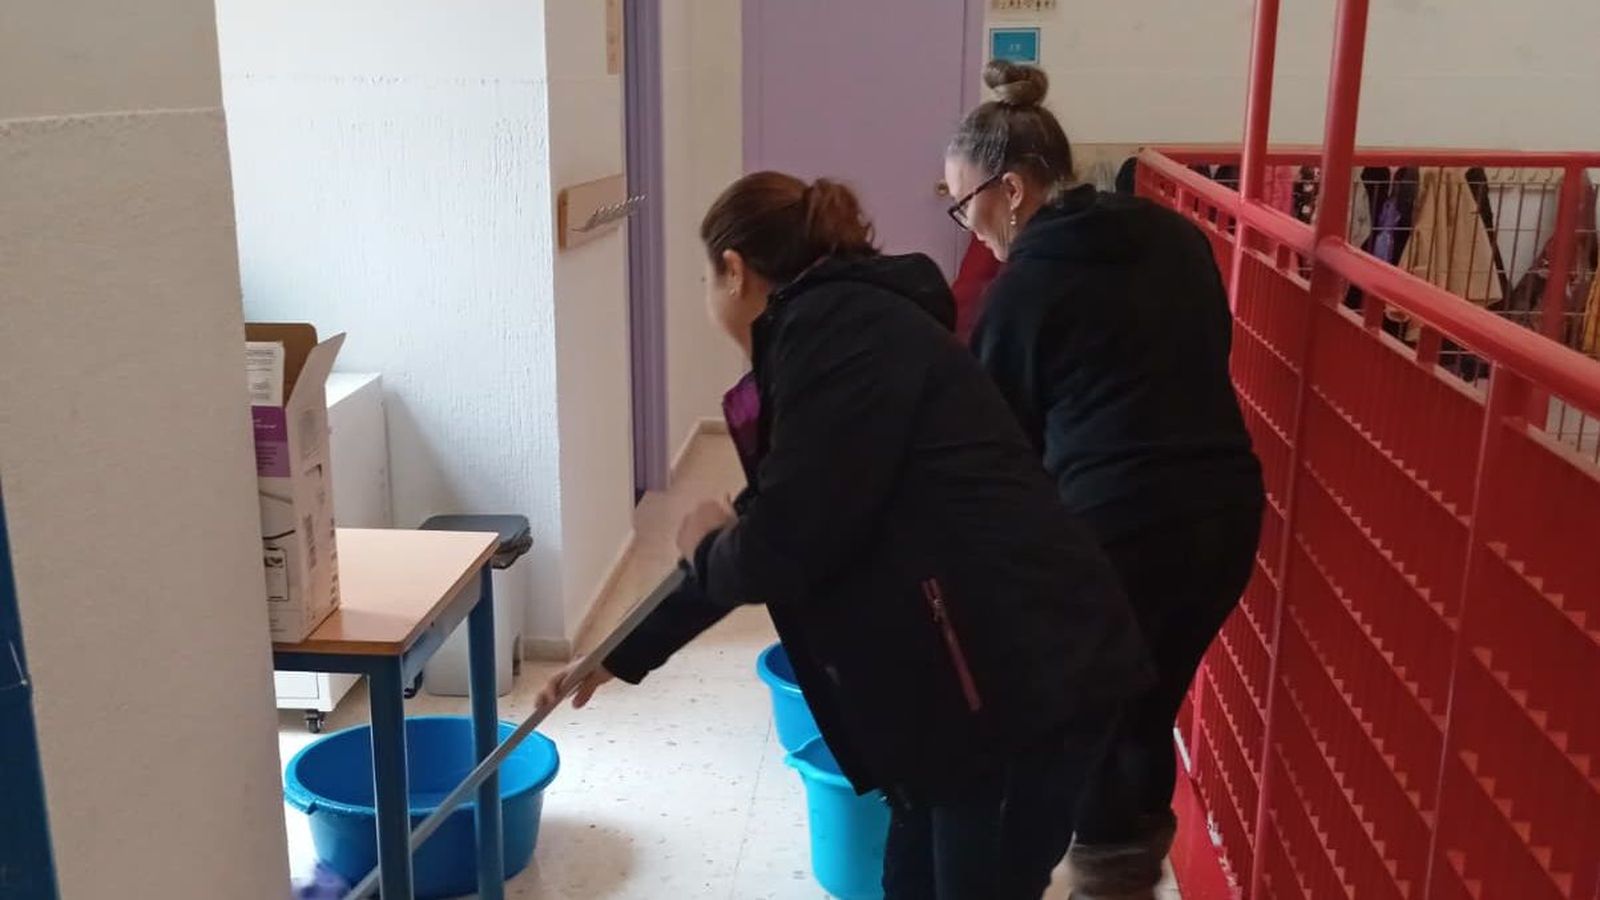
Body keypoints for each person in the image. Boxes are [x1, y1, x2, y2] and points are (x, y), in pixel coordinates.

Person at [539, 171, 1151, 899]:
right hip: (976, 689)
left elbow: (778, 546)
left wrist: (706, 537)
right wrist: (621, 652)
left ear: (734, 272)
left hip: (1022, 684)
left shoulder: (836, 336)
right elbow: (778, 519)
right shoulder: (841, 330)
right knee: (911, 880)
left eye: (707, 280)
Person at [942, 61, 1266, 900]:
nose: (964, 223)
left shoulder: (1025, 288)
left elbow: (996, 450)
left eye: (962, 201)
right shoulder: (1174, 236)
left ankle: (1102, 877)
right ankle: (1119, 873)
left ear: (1009, 189)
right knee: (1144, 699)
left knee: (1094, 711)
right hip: (1228, 516)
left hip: (1122, 533)